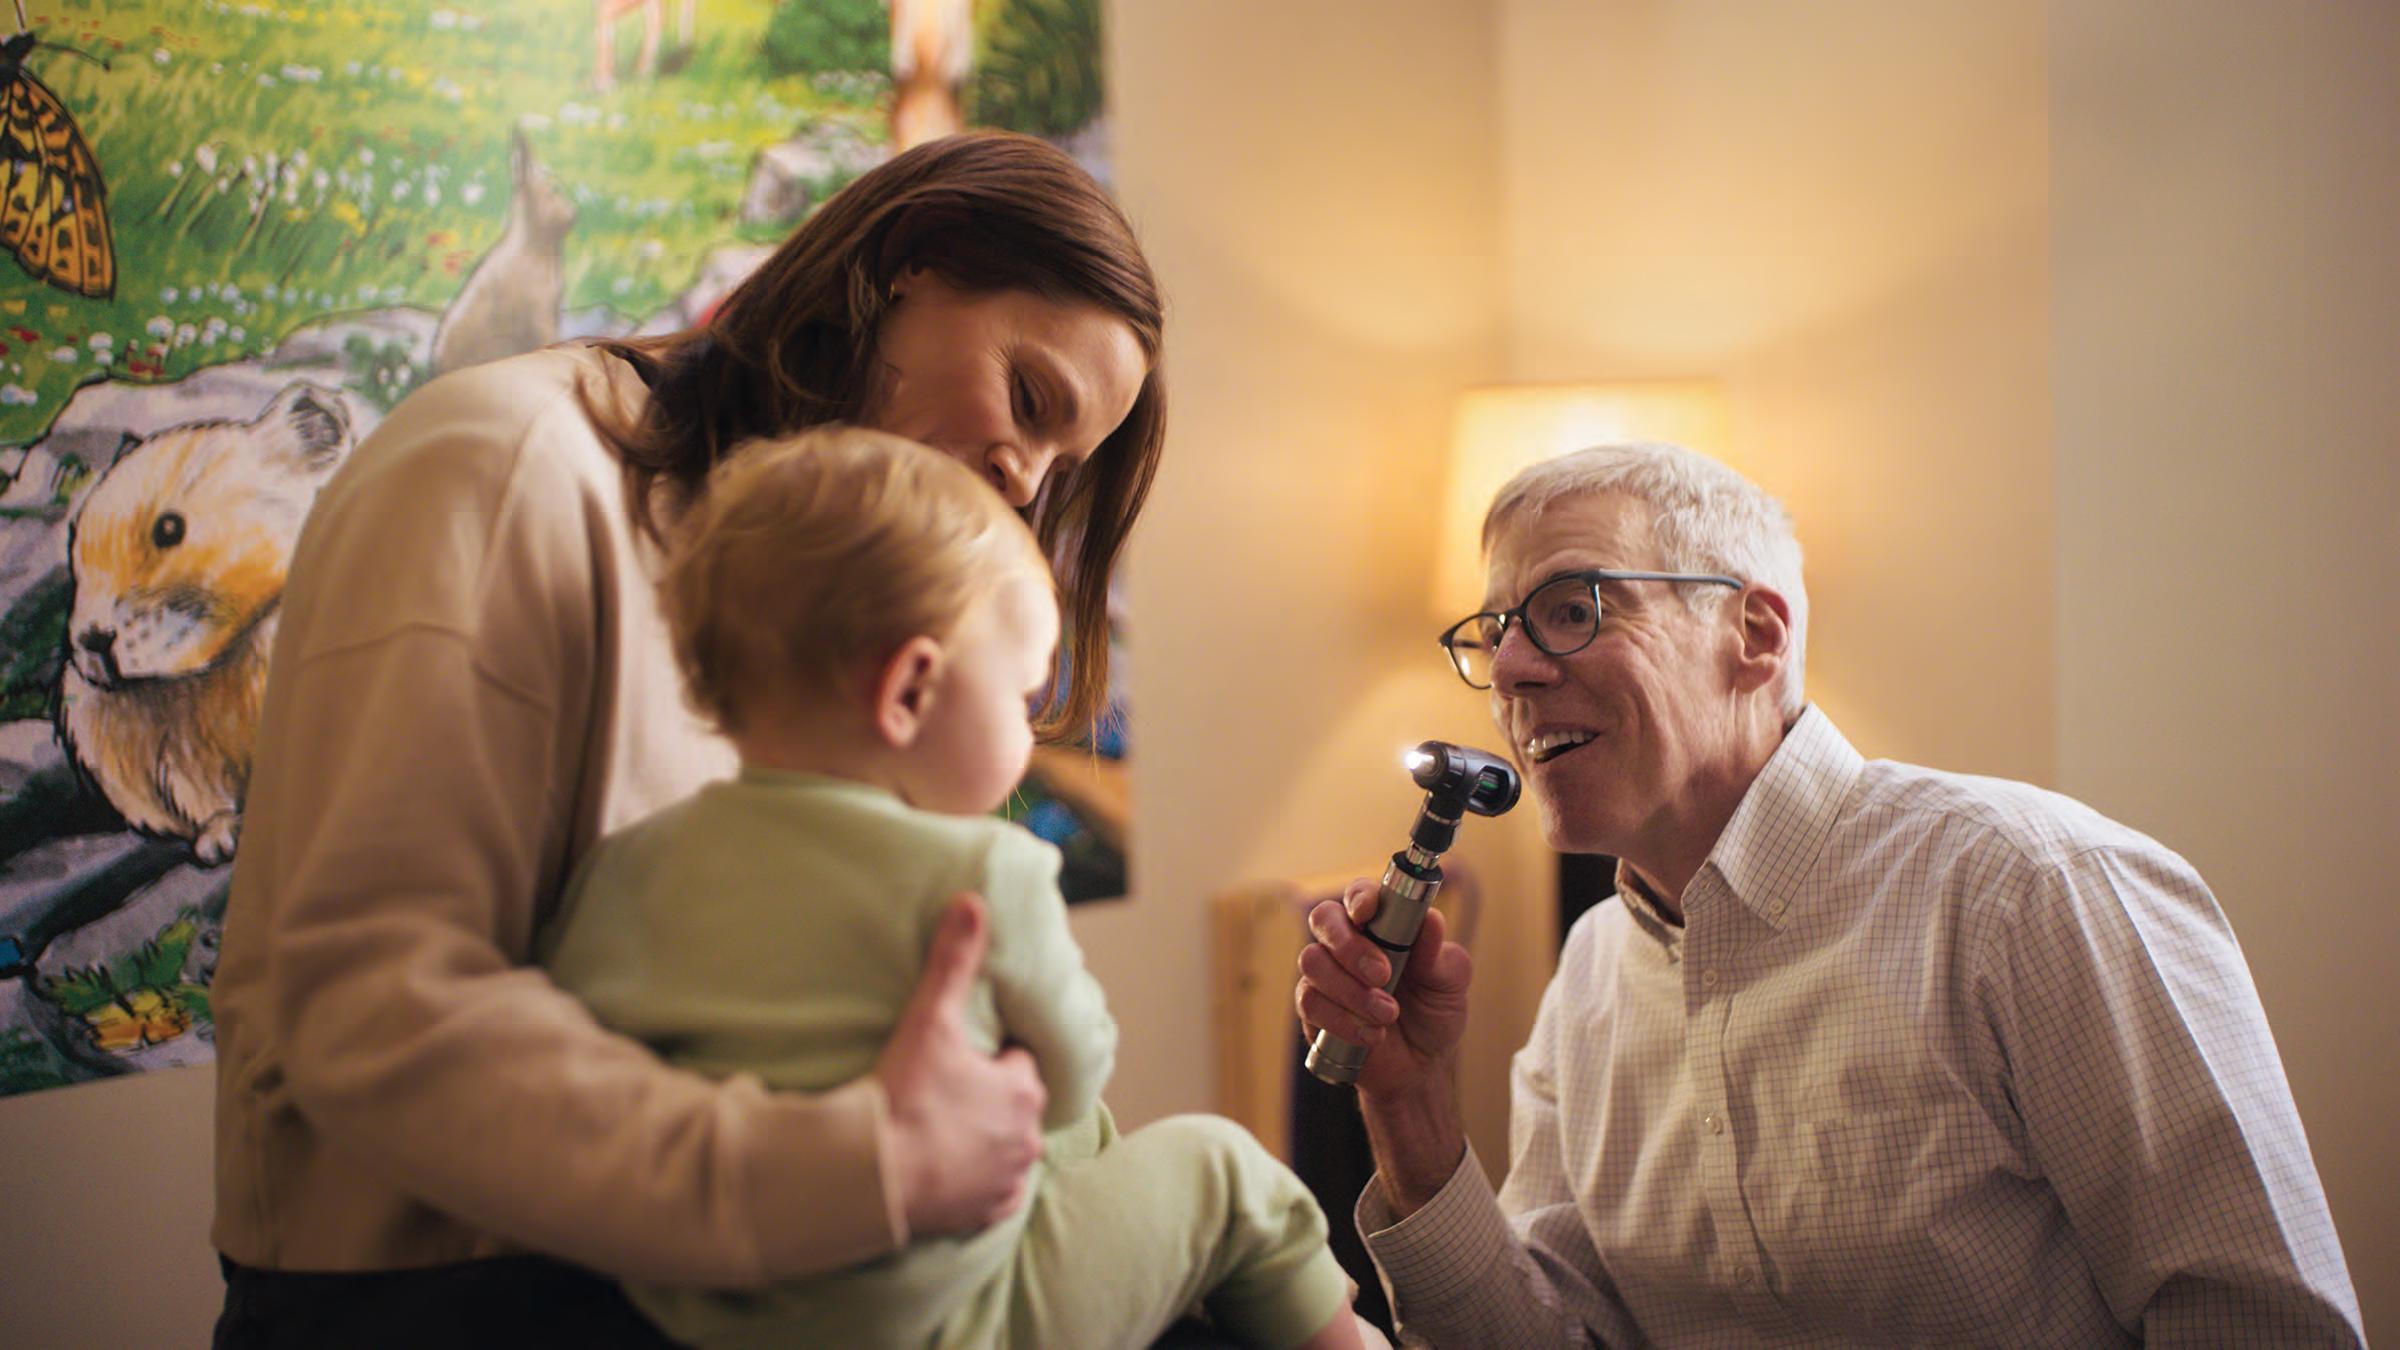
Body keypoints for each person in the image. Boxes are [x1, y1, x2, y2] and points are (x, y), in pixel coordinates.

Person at [209, 131, 1165, 1346]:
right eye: (1028, 400)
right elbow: (376, 1008)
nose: (1025, 485)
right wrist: (851, 1171)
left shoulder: (821, 599)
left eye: (1061, 465)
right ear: (913, 262)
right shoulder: (503, 468)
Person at [1295, 442, 2364, 1346]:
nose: (1513, 670)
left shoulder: (2031, 893)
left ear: (1756, 635)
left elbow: (2259, 1321)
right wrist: (1409, 1105)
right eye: (1496, 632)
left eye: (1572, 609)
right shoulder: (1591, 978)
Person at [540, 427, 1365, 1349]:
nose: (1028, 730)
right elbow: (1072, 1078)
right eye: (1018, 697)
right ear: (910, 692)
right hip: (948, 1315)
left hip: (709, 1311)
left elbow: (592, 1061)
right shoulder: (983, 871)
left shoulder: (624, 867)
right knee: (1224, 1172)